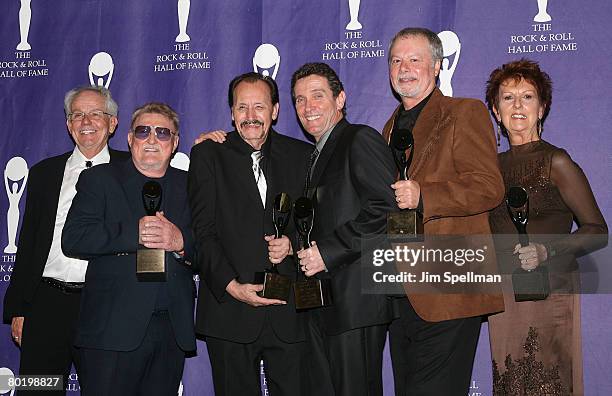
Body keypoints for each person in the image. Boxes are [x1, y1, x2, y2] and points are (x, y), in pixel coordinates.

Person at [381, 27, 505, 394]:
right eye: (396, 60)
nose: (404, 68)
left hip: (450, 288)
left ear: (436, 67)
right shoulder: (387, 129)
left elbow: (488, 186)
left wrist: (426, 196)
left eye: (414, 59)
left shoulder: (464, 112)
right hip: (399, 295)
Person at [485, 59, 608, 395]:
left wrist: (546, 249)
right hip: (506, 297)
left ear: (542, 108)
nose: (518, 106)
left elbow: (597, 230)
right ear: (496, 111)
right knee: (509, 383)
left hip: (550, 289)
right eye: (507, 98)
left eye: (527, 97)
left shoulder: (557, 160)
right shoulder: (490, 169)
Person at [188, 72, 311, 395]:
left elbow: (318, 221)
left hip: (290, 314)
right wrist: (232, 286)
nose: (250, 116)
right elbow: (202, 232)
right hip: (229, 312)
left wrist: (292, 244)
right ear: (231, 113)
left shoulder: (302, 155)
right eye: (242, 108)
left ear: (275, 110)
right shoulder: (207, 154)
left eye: (259, 106)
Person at [61, 102, 196, 395]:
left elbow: (209, 246)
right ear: (129, 138)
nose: (151, 139)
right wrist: (133, 234)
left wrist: (180, 242)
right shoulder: (100, 179)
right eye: (143, 131)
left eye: (162, 133)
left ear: (175, 143)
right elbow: (74, 238)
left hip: (171, 328)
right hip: (112, 330)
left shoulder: (192, 185)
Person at [2, 86, 129, 395]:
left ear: (112, 123)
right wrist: (20, 308)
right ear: (68, 124)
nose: (86, 121)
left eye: (96, 113)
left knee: (108, 390)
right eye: (77, 114)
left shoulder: (131, 171)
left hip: (106, 304)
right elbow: (29, 243)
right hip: (47, 304)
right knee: (37, 390)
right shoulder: (44, 173)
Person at [293, 62, 397, 396]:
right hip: (322, 303)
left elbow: (386, 209)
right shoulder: (314, 156)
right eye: (299, 99)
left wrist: (328, 251)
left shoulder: (359, 139)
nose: (308, 107)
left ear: (340, 100)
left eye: (317, 96)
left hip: (356, 302)